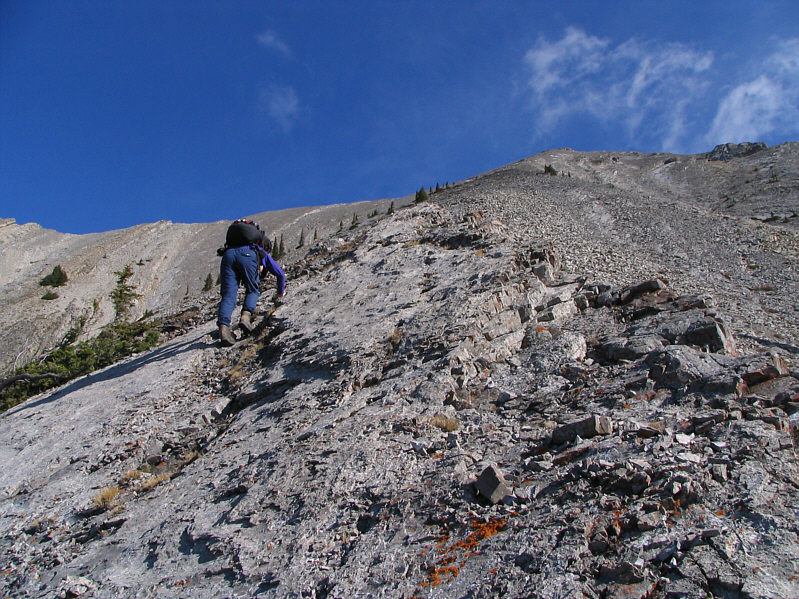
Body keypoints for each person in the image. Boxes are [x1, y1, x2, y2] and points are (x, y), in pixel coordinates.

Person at [217, 218, 286, 346]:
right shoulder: (260, 252)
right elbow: (280, 274)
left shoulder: (232, 246)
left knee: (228, 295)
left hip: (228, 256)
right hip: (247, 256)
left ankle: (223, 327)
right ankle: (245, 317)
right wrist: (280, 292)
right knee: (252, 290)